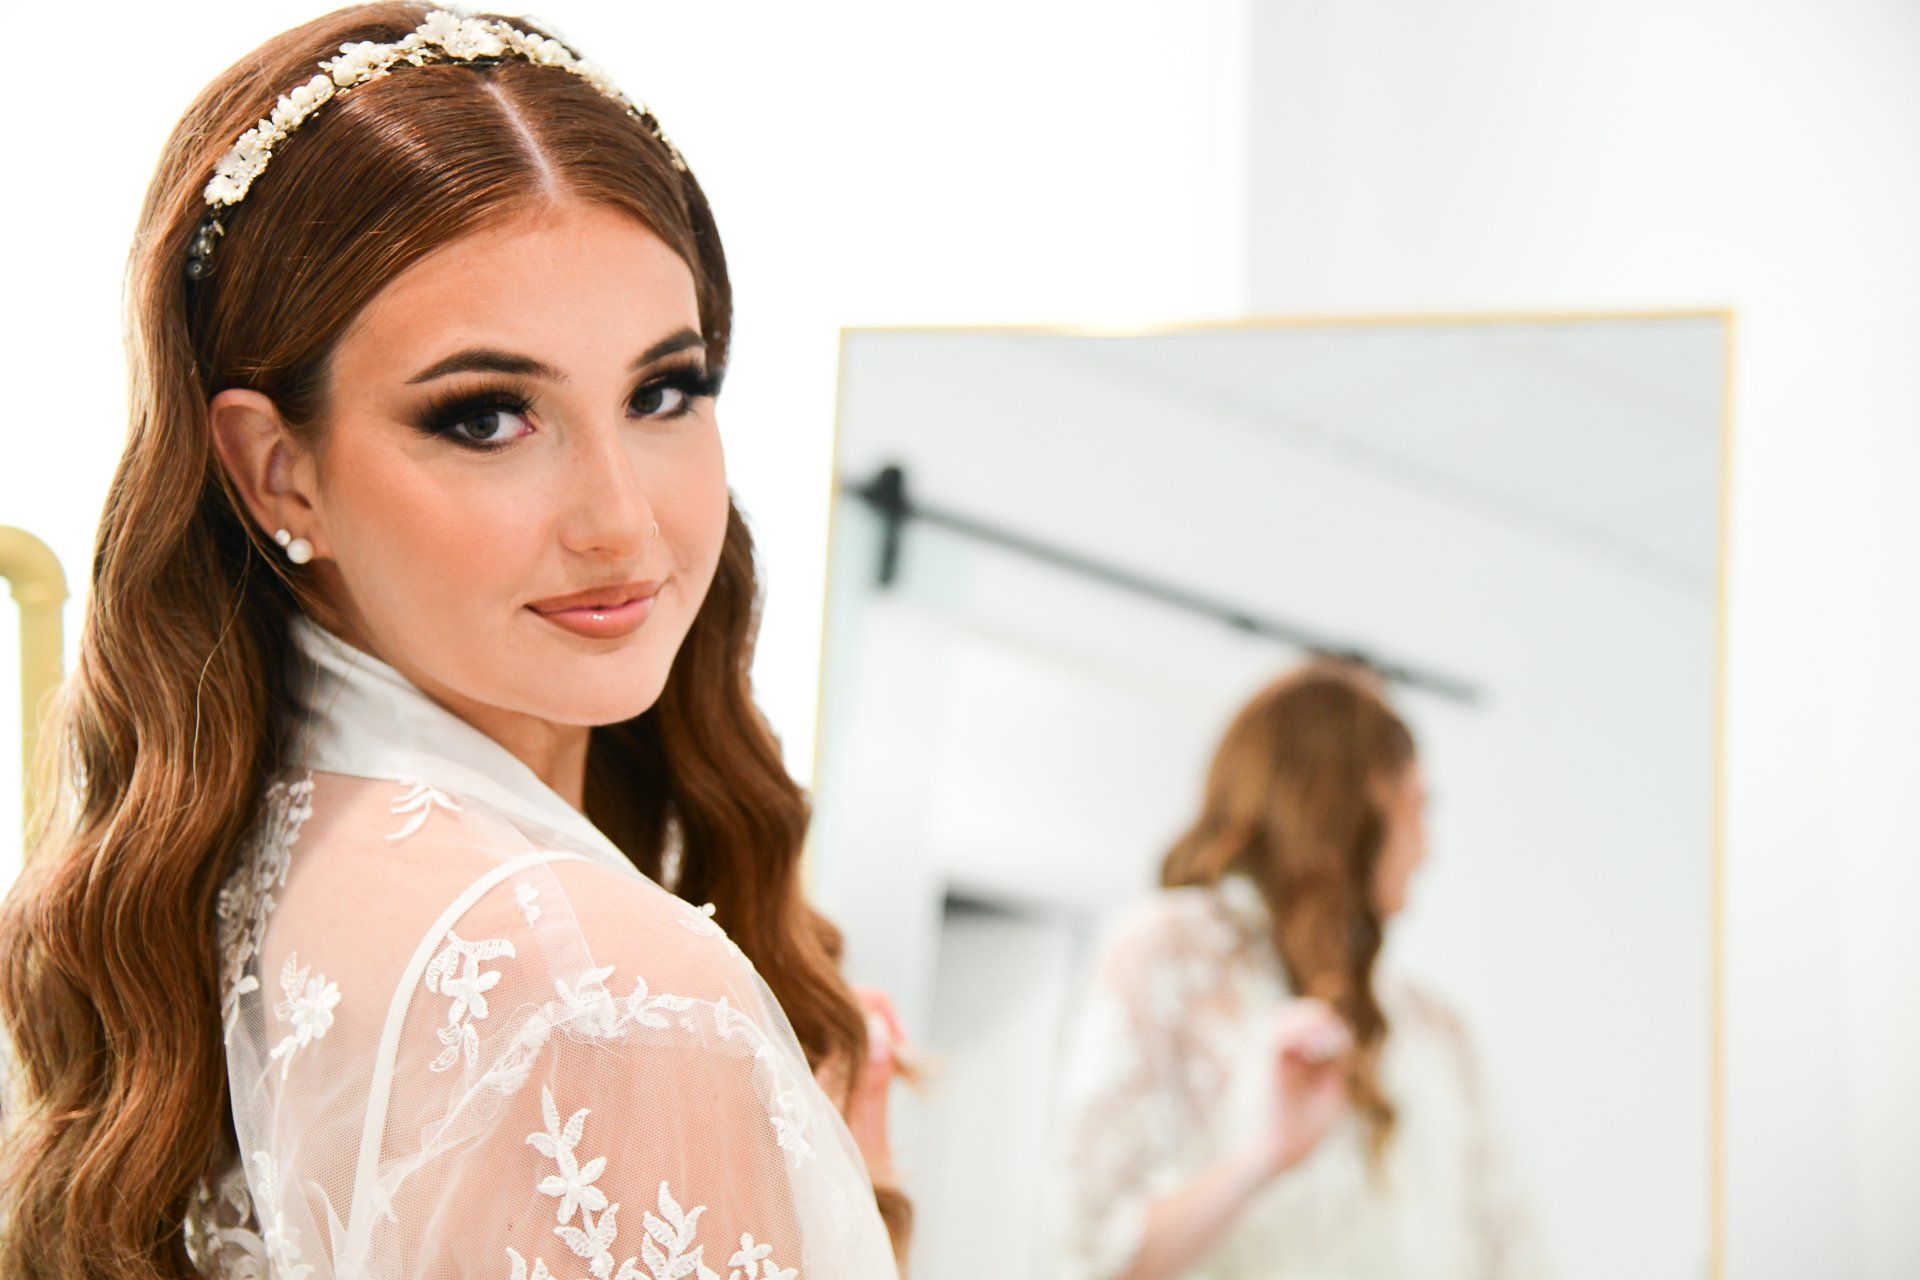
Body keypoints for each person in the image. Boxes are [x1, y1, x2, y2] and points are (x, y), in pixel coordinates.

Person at [0, 5, 912, 1277]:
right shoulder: (605, 995)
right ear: (277, 471)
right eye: (488, 416)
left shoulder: (210, 873)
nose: (621, 521)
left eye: (662, 391)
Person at [1041, 659, 1549, 1280]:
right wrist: (1265, 1159)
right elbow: (1088, 1256)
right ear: (1348, 810)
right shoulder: (1169, 952)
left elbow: (1508, 1254)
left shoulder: (1434, 1026)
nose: (1427, 848)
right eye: (1417, 806)